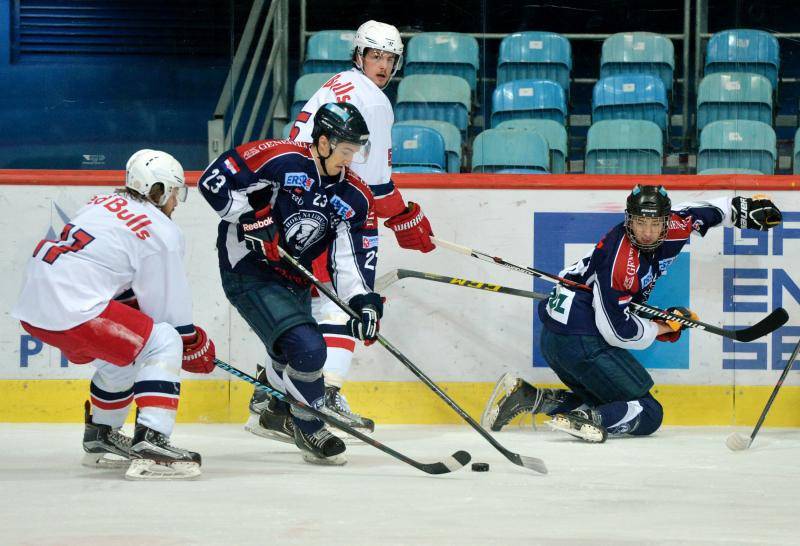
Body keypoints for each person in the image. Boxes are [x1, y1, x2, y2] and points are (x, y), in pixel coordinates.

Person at [244, 20, 434, 438]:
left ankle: (269, 402)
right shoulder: (375, 102)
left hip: (293, 205)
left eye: (389, 58)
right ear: (359, 56)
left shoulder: (337, 83)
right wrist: (407, 218)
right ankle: (323, 394)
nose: (382, 66)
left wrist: (402, 215)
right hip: (327, 211)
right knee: (345, 302)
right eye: (375, 56)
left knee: (308, 307)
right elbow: (376, 187)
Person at [482, 185, 783, 442]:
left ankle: (528, 398)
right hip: (579, 339)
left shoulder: (678, 224)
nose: (648, 232)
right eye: (640, 224)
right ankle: (589, 417)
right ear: (629, 221)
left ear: (666, 221)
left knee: (615, 399)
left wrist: (740, 209)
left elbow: (708, 211)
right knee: (649, 413)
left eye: (655, 224)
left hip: (557, 339)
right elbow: (619, 332)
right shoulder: (620, 262)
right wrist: (664, 327)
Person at [12, 149, 216, 480]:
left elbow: (109, 274)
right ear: (158, 190)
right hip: (74, 307)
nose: (176, 202)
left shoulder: (100, 204)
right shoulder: (160, 230)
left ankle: (101, 437)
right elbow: (168, 317)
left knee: (124, 356)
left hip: (36, 306)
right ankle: (153, 441)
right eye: (175, 192)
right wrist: (191, 342)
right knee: (162, 341)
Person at [198, 102, 383, 465]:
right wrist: (251, 218)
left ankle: (273, 407)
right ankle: (310, 426)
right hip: (248, 267)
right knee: (309, 349)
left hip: (292, 275)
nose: (350, 160)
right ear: (324, 142)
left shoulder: (354, 195)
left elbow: (353, 258)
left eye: (355, 152)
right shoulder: (279, 158)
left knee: (289, 353)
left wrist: (363, 300)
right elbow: (213, 181)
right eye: (345, 151)